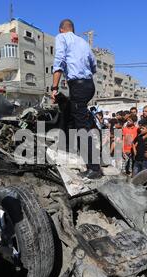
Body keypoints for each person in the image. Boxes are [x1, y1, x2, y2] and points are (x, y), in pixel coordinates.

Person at [51, 19, 101, 179]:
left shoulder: (61, 38)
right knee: (72, 116)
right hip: (88, 85)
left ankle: (94, 168)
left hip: (78, 86)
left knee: (81, 128)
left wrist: (54, 88)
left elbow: (59, 61)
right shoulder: (83, 42)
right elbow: (93, 66)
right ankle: (68, 148)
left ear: (61, 30)